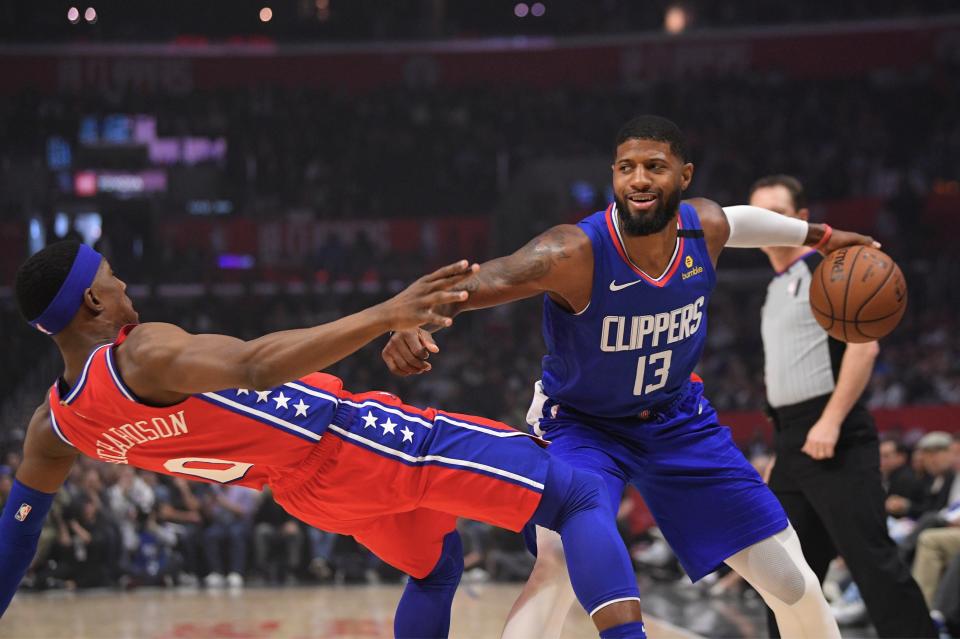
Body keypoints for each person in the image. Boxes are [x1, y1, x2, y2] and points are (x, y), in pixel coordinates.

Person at [383, 114, 876, 638]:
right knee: (558, 567)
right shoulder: (572, 251)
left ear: (683, 176)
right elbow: (484, 279)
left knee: (793, 581)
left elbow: (746, 223)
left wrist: (823, 236)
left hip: (679, 421)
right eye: (627, 168)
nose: (639, 179)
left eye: (654, 167)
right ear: (613, 175)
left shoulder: (703, 225)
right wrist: (408, 317)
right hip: (582, 427)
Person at [0, 241, 646, 639]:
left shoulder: (56, 425)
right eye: (114, 279)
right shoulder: (138, 351)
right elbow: (255, 365)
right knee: (582, 497)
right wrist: (384, 314)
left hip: (308, 495)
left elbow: (18, 533)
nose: (126, 289)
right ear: (92, 299)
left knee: (435, 567)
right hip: (355, 441)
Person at [749, 174, 935, 638]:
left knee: (871, 560)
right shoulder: (773, 288)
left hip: (835, 434)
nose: (768, 222)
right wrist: (781, 449)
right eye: (760, 213)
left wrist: (829, 422)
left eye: (779, 211)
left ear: (803, 220)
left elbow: (863, 348)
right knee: (786, 574)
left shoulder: (827, 270)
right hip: (792, 441)